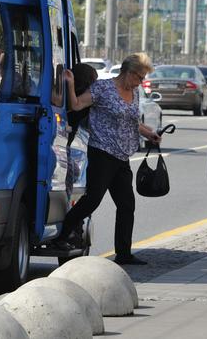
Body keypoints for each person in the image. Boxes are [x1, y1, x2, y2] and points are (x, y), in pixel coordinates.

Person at [55, 53, 162, 265]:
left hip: (122, 155)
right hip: (102, 152)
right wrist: (69, 83)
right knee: (93, 199)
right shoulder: (102, 88)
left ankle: (124, 253)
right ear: (129, 73)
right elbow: (76, 105)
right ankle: (63, 234)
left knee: (126, 204)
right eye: (139, 77)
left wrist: (147, 133)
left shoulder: (134, 92)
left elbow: (131, 120)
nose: (141, 82)